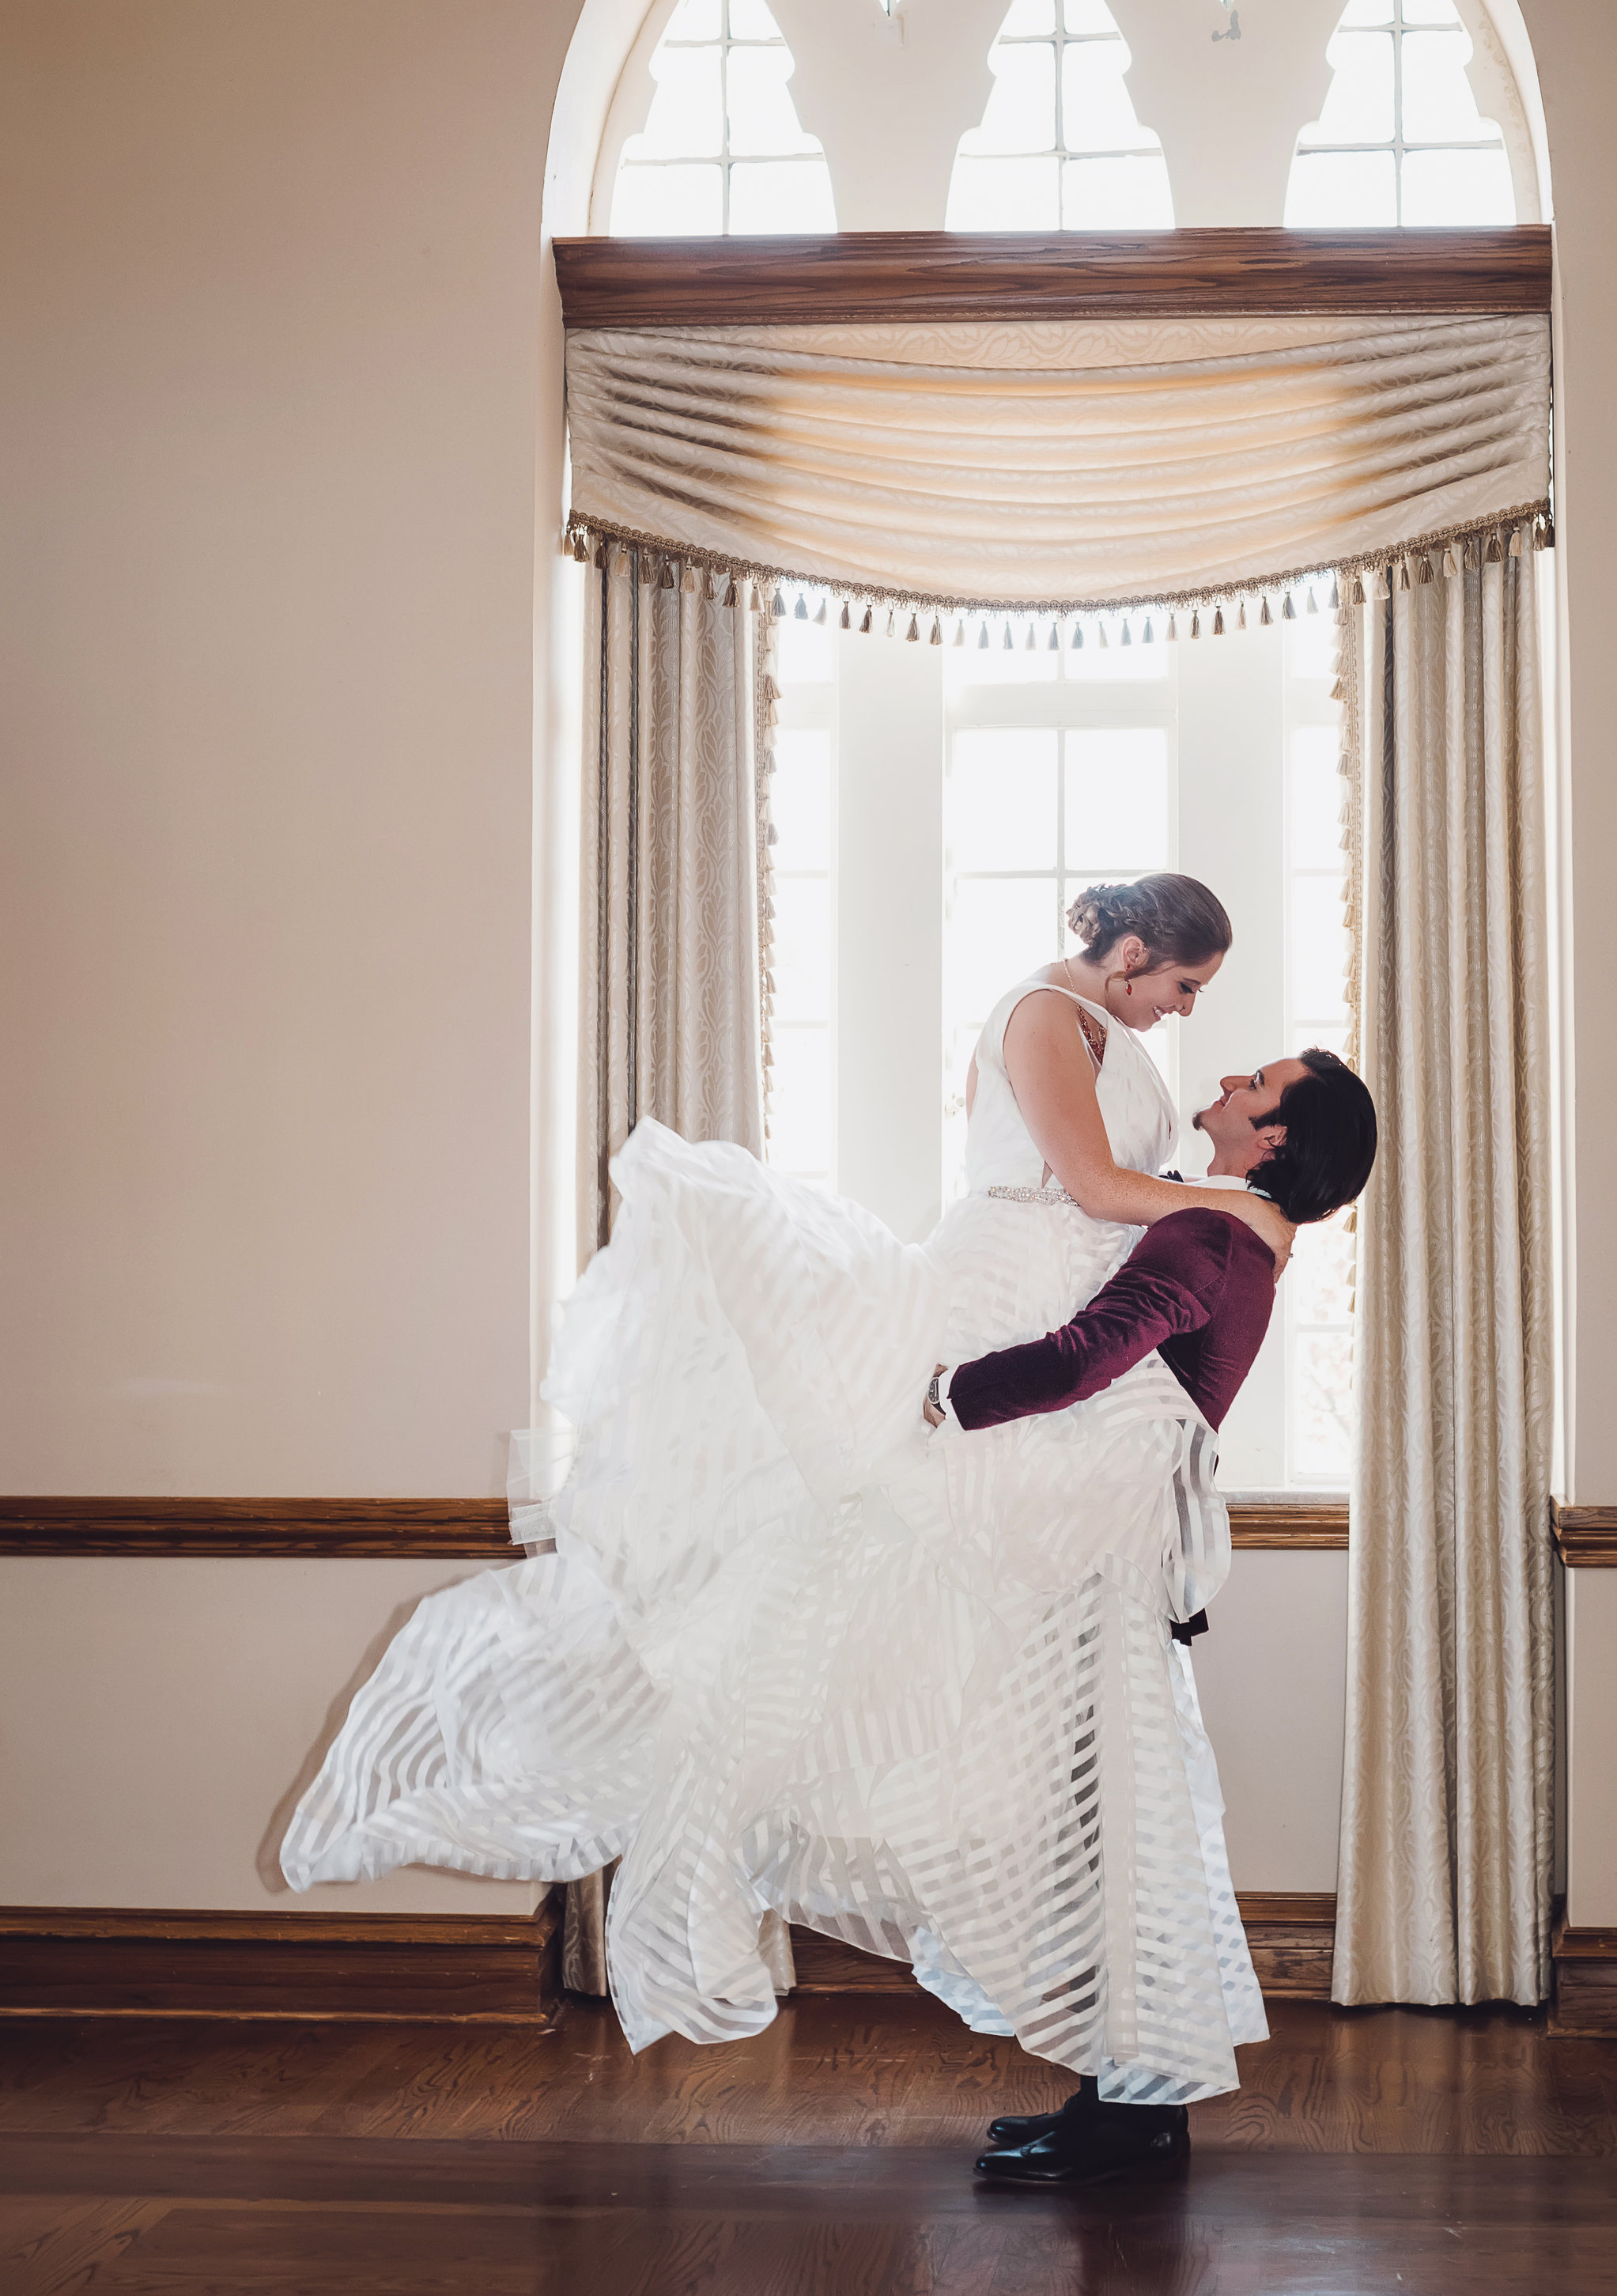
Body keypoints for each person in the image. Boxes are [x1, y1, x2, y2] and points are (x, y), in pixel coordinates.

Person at [278, 876, 1361, 2166]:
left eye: (1226, 1038)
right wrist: (1215, 1205)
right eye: (1186, 988)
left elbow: (1100, 1326)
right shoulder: (1076, 1056)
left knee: (1081, 1767)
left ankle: (1131, 2090)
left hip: (1050, 1426)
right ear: (1131, 952)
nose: (1195, 1032)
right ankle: (1126, 2083)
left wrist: (976, 1384)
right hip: (1021, 1374)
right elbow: (1082, 1183)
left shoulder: (1200, 1199)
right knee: (998, 1713)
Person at [923, 1046, 1378, 2185]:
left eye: (1255, 1086)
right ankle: (1120, 2102)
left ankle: (1133, 2119)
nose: (1226, 1079)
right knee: (1113, 1834)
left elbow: (1086, 1358)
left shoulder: (1211, 1234)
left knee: (1116, 1838)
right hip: (1122, 1549)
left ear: (1273, 1141)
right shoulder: (1229, 1225)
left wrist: (943, 1395)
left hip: (1109, 1562)